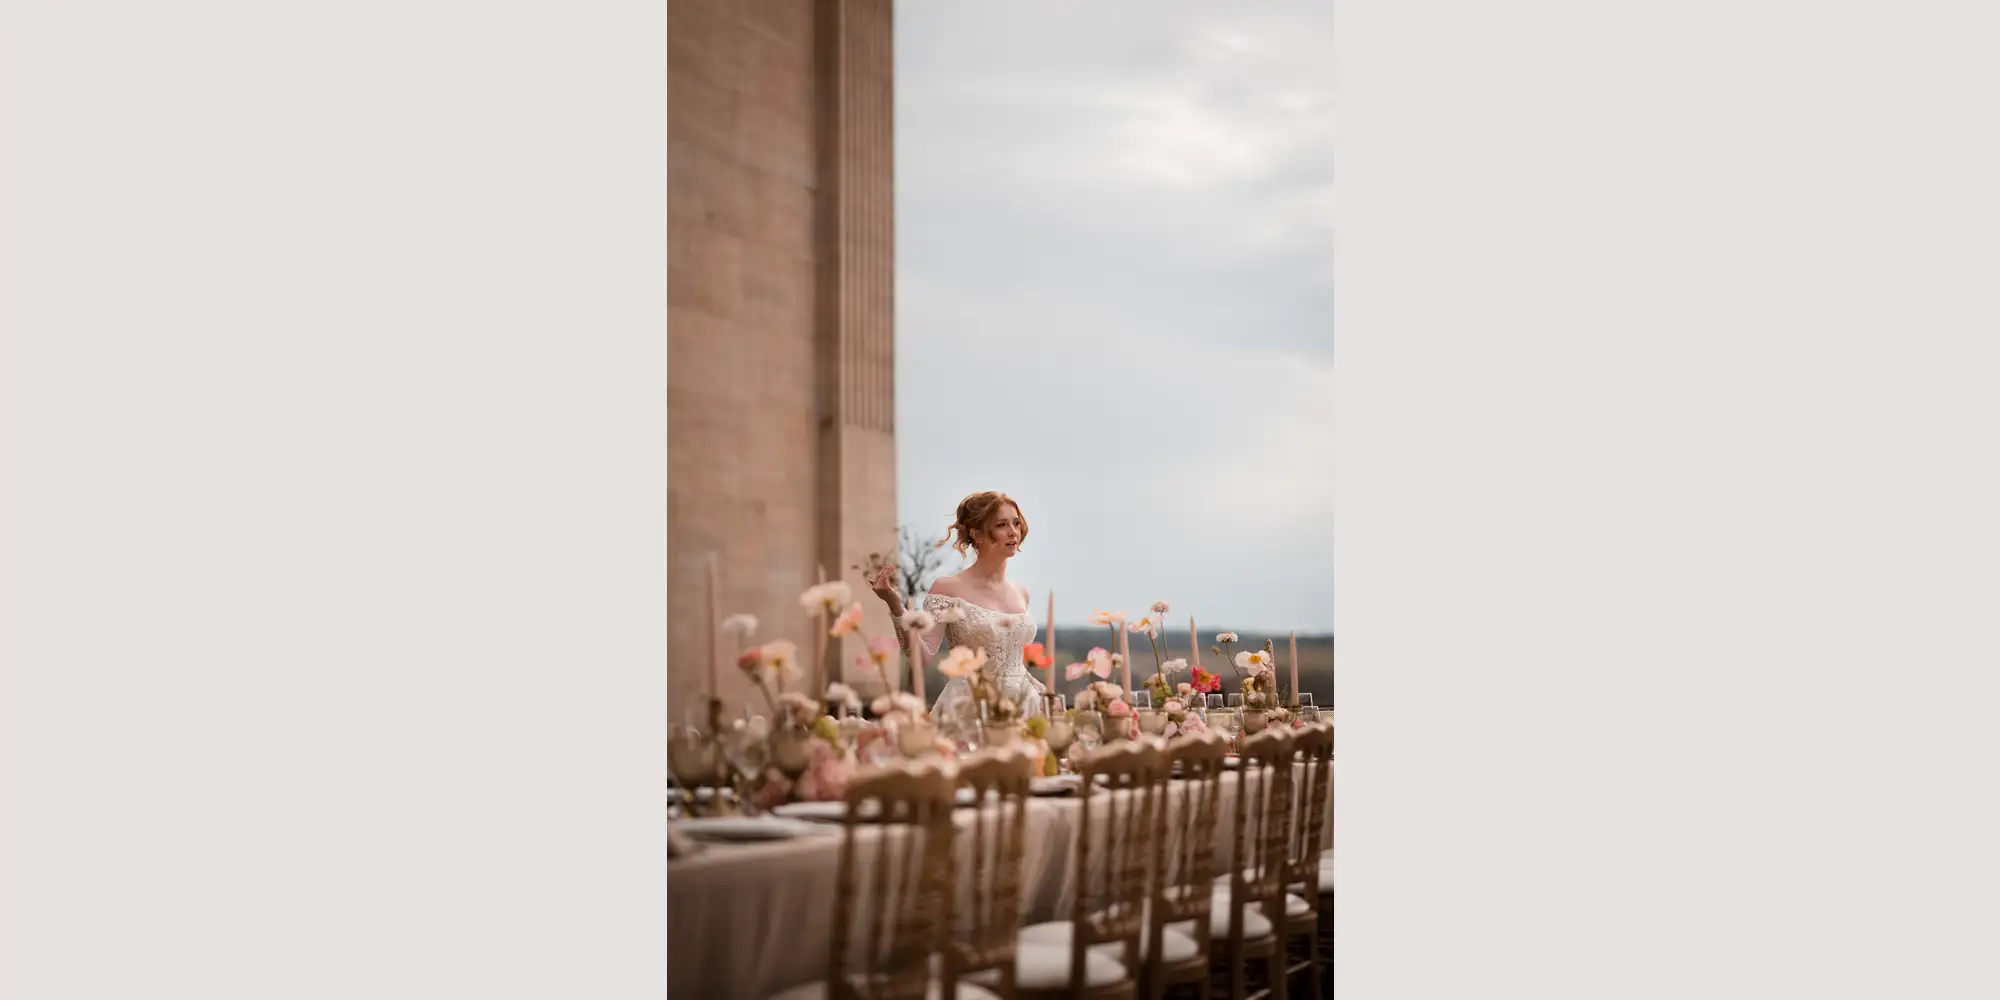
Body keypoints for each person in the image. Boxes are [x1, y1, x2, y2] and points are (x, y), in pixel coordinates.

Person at [866, 490, 1049, 742]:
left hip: (1023, 706)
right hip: (969, 707)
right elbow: (921, 657)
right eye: (1001, 525)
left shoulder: (1022, 593)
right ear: (976, 534)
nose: (1013, 532)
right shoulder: (948, 588)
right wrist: (896, 606)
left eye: (1016, 523)